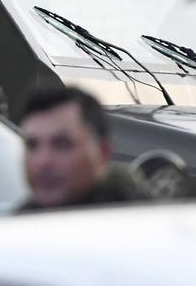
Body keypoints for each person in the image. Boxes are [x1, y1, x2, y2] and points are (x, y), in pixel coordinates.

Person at [18, 86, 150, 212]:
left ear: (103, 152)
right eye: (32, 145)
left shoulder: (147, 223)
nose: (43, 162)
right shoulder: (14, 228)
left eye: (62, 145)